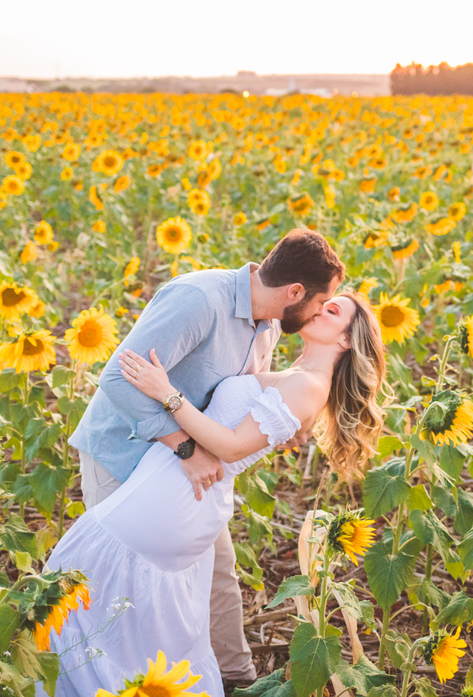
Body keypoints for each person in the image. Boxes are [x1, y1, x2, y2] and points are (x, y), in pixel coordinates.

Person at [40, 290, 386, 697]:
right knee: (120, 616)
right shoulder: (297, 373)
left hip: (177, 498)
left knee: (97, 599)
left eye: (333, 310)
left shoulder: (309, 386)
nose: (318, 307)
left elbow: (232, 447)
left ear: (346, 339)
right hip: (179, 490)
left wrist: (166, 392)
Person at [65, 229, 345, 685]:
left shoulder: (269, 324)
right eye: (321, 302)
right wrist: (184, 447)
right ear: (295, 292)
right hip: (125, 454)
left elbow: (234, 396)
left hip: (186, 476)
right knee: (121, 584)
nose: (318, 312)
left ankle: (238, 680)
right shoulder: (199, 299)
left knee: (216, 576)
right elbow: (118, 380)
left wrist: (285, 418)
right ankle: (106, 680)